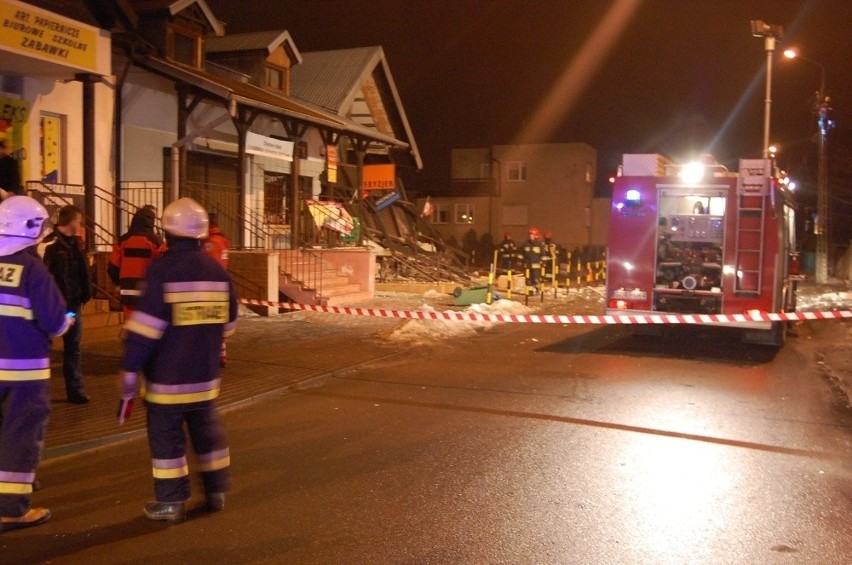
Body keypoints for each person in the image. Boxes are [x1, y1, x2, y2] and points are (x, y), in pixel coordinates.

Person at [119, 197, 237, 524]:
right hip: (206, 376)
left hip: (167, 380)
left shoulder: (163, 269)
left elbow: (146, 328)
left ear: (168, 233)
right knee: (207, 432)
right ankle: (216, 491)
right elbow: (228, 323)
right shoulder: (217, 271)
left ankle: (171, 503)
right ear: (199, 234)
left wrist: (130, 367)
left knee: (167, 439)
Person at [0, 196, 73, 531]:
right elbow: (55, 322)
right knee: (20, 436)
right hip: (23, 370)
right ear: (30, 228)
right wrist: (67, 321)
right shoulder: (32, 270)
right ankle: (12, 509)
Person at [42, 205, 93, 404]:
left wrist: (84, 295)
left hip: (73, 305)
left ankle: (75, 390)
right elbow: (44, 277)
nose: (80, 224)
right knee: (45, 347)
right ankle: (42, 391)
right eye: (78, 220)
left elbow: (82, 274)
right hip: (54, 306)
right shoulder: (51, 245)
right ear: (70, 221)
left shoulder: (76, 245)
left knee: (73, 348)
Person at [108, 206, 163, 317]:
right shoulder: (155, 241)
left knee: (130, 323)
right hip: (148, 289)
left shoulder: (123, 240)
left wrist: (118, 283)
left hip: (127, 289)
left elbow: (112, 266)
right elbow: (162, 266)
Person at [203, 213, 230, 367]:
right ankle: (221, 355)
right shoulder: (221, 241)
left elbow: (208, 266)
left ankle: (213, 356)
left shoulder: (211, 244)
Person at [521, 227, 544, 291]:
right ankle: (529, 291)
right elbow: (521, 254)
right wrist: (520, 261)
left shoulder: (539, 244)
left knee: (536, 278)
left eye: (532, 235)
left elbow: (543, 255)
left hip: (536, 266)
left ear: (536, 236)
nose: (530, 236)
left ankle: (537, 289)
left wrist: (543, 262)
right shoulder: (525, 244)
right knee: (528, 279)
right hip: (527, 265)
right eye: (529, 235)